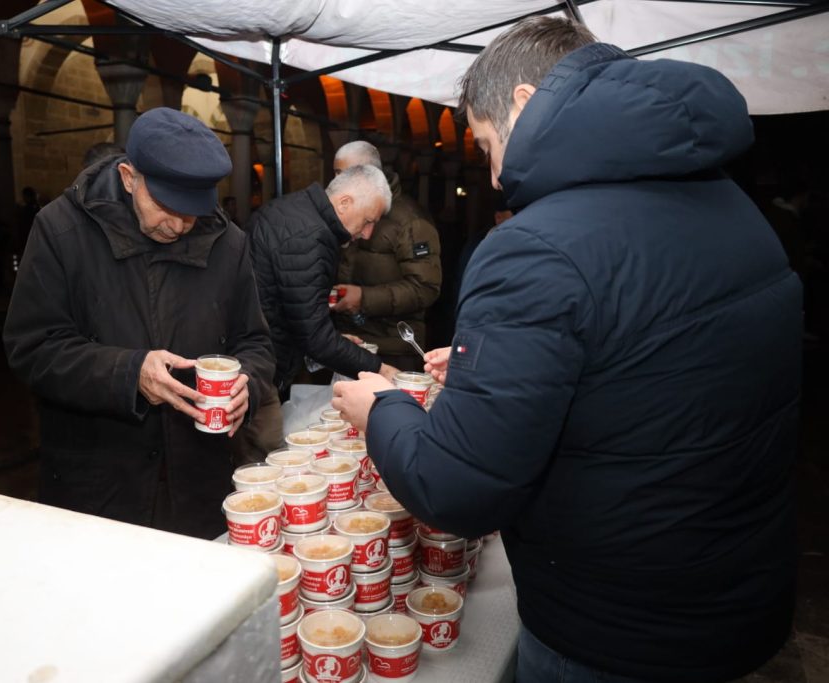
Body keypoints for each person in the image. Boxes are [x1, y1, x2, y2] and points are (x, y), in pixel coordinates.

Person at [333, 17, 801, 683]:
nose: (494, 177)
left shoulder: (537, 246)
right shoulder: (734, 207)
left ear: (525, 102)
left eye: (488, 143)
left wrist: (382, 409)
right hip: (731, 598)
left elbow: (458, 486)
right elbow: (649, 376)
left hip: (616, 629)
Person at [3, 108, 275, 539]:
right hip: (100, 480)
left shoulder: (229, 243)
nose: (180, 226)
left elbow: (255, 343)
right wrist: (130, 373)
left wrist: (249, 384)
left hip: (198, 478)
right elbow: (33, 348)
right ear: (130, 177)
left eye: (193, 212)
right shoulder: (60, 230)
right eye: (167, 207)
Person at [248, 165, 397, 402]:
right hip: (259, 370)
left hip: (259, 359)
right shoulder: (309, 236)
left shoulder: (299, 209)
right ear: (344, 203)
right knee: (268, 439)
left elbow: (297, 312)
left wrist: (333, 340)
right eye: (368, 221)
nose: (368, 234)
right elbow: (314, 337)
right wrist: (381, 370)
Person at [331, 141, 442, 371]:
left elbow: (426, 287)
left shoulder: (410, 221)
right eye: (335, 174)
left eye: (345, 175)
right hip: (350, 341)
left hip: (393, 348)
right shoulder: (343, 207)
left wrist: (363, 298)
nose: (336, 183)